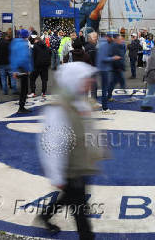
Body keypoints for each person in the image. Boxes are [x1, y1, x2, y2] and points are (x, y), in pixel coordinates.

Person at [37, 62, 105, 240]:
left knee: (70, 197)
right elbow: (52, 144)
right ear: (74, 81)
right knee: (80, 208)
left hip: (80, 164)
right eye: (86, 79)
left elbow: (86, 129)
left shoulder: (78, 101)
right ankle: (87, 236)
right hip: (70, 167)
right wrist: (56, 175)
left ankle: (45, 216)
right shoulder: (60, 108)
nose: (90, 82)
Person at [96, 32, 121, 114]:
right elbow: (103, 58)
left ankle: (104, 106)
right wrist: (113, 58)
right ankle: (105, 108)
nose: (114, 39)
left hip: (104, 68)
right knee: (104, 89)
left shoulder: (103, 43)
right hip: (104, 69)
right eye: (113, 37)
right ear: (109, 37)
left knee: (104, 88)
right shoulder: (104, 45)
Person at [10, 29, 33, 114]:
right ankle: (21, 107)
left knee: (23, 89)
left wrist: (14, 70)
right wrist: (28, 69)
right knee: (24, 90)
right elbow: (24, 58)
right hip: (23, 70)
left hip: (18, 69)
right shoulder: (23, 44)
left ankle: (21, 106)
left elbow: (13, 57)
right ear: (26, 36)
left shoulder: (15, 42)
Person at [108, 34, 126, 101]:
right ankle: (109, 96)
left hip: (117, 68)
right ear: (117, 40)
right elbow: (115, 58)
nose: (122, 40)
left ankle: (123, 89)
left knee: (118, 81)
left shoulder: (119, 46)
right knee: (113, 82)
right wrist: (119, 67)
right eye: (120, 39)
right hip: (116, 68)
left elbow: (121, 56)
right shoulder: (115, 46)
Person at [84, 32, 98, 104]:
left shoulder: (88, 46)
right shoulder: (91, 47)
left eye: (96, 37)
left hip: (88, 68)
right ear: (90, 39)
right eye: (95, 38)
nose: (96, 39)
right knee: (93, 84)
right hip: (91, 68)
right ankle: (93, 99)